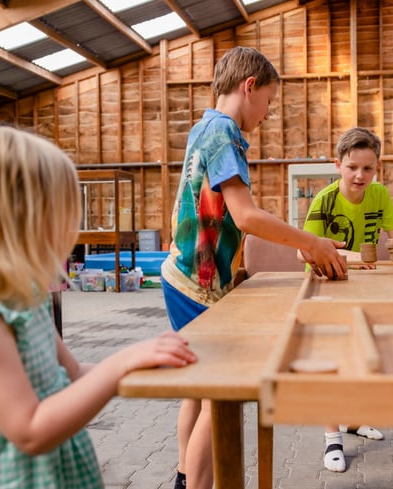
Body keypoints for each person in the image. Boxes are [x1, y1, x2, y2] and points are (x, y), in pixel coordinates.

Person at [0, 123, 197, 489]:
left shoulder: (24, 298)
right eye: (60, 213)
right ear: (12, 220)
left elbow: (71, 374)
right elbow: (31, 429)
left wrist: (143, 365)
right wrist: (119, 366)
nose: (70, 228)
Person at [161, 46, 347, 489]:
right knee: (220, 397)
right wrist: (311, 242)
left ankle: (184, 476)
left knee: (198, 389)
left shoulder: (203, 127)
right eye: (268, 102)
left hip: (180, 277)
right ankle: (195, 483)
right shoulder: (224, 131)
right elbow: (245, 215)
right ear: (249, 87)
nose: (267, 114)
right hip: (198, 284)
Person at [301, 126, 393, 472]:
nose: (360, 175)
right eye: (352, 167)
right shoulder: (325, 201)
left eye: (368, 168)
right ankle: (331, 437)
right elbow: (302, 251)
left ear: (376, 168)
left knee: (363, 353)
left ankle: (353, 420)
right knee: (331, 360)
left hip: (364, 286)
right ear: (338, 165)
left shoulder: (379, 195)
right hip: (327, 287)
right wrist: (350, 257)